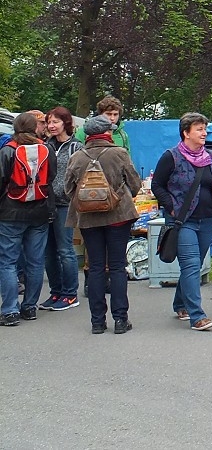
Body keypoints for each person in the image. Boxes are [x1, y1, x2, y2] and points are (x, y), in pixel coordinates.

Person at [64, 115, 142, 334]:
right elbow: (134, 184)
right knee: (117, 267)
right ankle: (120, 320)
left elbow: (68, 189)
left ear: (88, 135)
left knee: (96, 267)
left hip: (89, 219)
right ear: (108, 133)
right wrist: (120, 196)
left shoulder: (77, 157)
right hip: (118, 216)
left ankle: (97, 322)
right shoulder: (119, 153)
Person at [152, 112, 212, 331]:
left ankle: (180, 303)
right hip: (183, 221)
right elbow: (157, 185)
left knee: (194, 264)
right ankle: (197, 316)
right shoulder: (171, 157)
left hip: (209, 218)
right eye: (199, 129)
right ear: (186, 133)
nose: (204, 133)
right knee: (191, 264)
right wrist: (171, 206)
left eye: (205, 129)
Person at [0, 112, 56, 326]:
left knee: (8, 262)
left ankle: (10, 310)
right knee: (35, 262)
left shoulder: (8, 150)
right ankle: (30, 307)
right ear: (35, 128)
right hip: (39, 212)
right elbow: (50, 179)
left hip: (10, 212)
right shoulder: (46, 150)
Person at [39, 107, 83, 312]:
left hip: (65, 204)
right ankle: (55, 291)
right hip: (45, 203)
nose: (51, 125)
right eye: (49, 122)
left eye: (55, 121)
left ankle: (70, 294)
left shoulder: (76, 147)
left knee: (65, 250)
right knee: (48, 252)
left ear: (66, 122)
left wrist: (72, 195)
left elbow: (81, 175)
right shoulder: (45, 145)